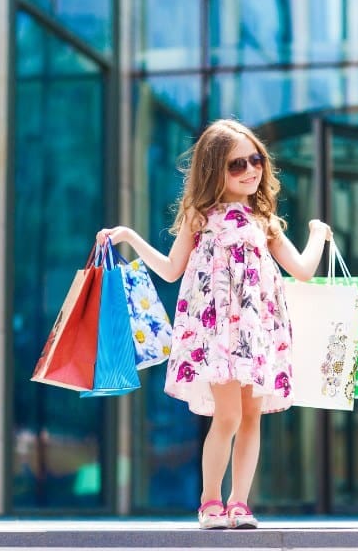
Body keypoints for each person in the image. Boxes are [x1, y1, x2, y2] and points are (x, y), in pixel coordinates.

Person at [95, 119, 331, 529]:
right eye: (237, 165)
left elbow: (303, 270)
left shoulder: (264, 220)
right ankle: (210, 502)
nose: (251, 170)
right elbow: (171, 270)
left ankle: (239, 503)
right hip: (217, 331)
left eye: (255, 159)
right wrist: (130, 237)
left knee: (252, 415)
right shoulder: (200, 217)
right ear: (213, 170)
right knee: (227, 416)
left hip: (257, 331)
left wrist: (318, 234)